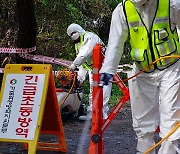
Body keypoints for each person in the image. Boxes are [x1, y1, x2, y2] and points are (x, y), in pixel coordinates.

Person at [99, 0, 180, 153]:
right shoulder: (122, 10)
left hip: (171, 68)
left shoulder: (171, 3)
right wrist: (108, 70)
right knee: (143, 124)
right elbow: (115, 43)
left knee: (171, 121)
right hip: (142, 71)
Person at [67, 23, 112, 120]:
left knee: (104, 90)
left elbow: (84, 54)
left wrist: (74, 64)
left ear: (77, 31)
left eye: (72, 34)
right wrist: (80, 77)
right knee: (93, 89)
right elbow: (84, 63)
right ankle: (93, 113)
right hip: (94, 69)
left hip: (105, 67)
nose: (72, 37)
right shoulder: (78, 43)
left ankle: (102, 113)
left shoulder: (89, 37)